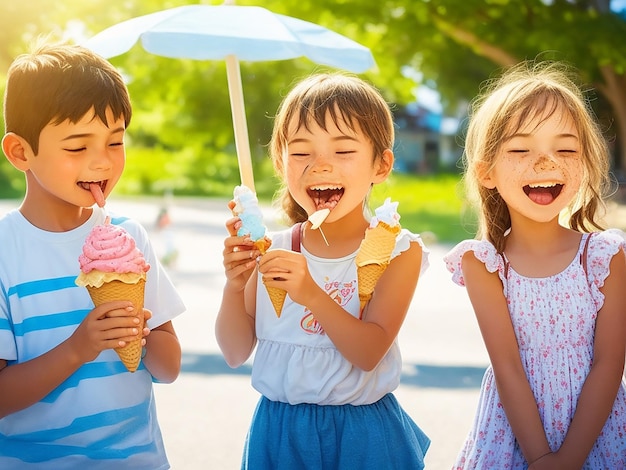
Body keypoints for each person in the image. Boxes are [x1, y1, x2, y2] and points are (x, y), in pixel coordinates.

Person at [215, 73, 431, 469]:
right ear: (280, 162)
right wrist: (235, 284)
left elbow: (368, 353)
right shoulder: (271, 250)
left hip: (363, 435)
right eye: (301, 152)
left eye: (344, 151)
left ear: (381, 165)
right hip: (279, 431)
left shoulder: (398, 251)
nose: (321, 165)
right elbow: (233, 352)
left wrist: (311, 293)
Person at [0, 42, 186, 469]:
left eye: (115, 142)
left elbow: (169, 367)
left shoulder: (129, 238)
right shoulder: (6, 252)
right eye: (77, 146)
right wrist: (78, 348)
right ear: (20, 152)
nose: (102, 161)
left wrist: (140, 334)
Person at [444, 60, 626, 469]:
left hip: (598, 434)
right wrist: (543, 458)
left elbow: (610, 362)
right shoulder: (484, 264)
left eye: (564, 149)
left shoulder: (605, 257)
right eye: (521, 149)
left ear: (586, 164)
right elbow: (507, 367)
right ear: (486, 171)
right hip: (515, 437)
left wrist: (570, 459)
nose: (545, 163)